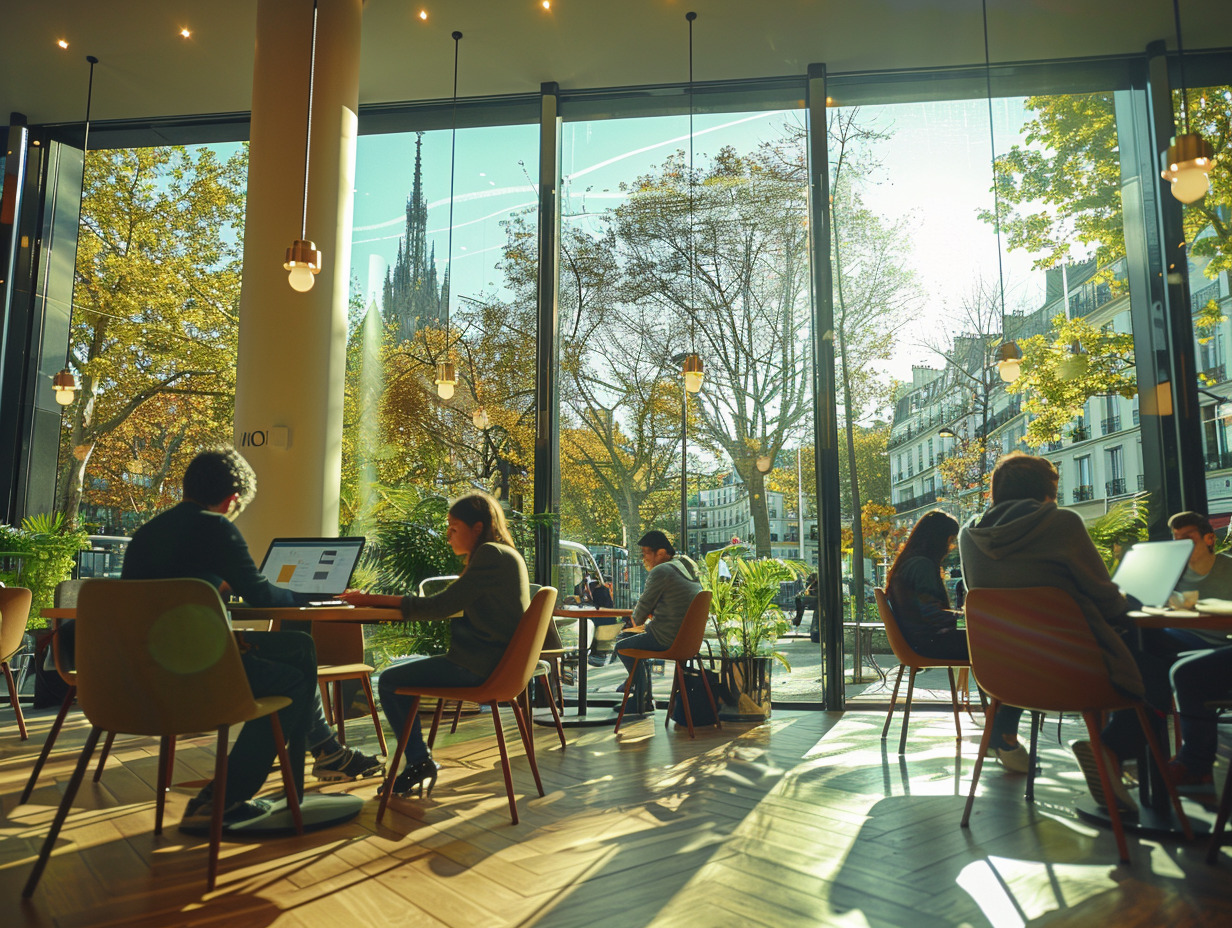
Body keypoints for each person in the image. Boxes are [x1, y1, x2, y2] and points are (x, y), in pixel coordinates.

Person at [119, 447, 381, 826]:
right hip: (198, 673)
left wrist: (215, 591)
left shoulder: (146, 534)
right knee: (293, 680)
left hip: (144, 671)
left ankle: (326, 750)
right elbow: (263, 596)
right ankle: (223, 798)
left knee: (298, 645)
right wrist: (309, 597)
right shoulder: (216, 527)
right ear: (232, 499)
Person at [958, 452, 1144, 812]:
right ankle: (1117, 751)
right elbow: (1106, 600)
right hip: (1077, 670)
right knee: (1159, 658)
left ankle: (1121, 759)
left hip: (1006, 676)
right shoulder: (1062, 524)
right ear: (1048, 490)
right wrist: (1130, 603)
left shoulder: (970, 536)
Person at [341, 492, 530, 799]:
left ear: (477, 527)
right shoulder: (505, 554)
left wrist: (370, 599)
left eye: (454, 527)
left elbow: (439, 606)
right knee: (399, 676)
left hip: (481, 667)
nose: (448, 535)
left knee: (389, 680)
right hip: (499, 665)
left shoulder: (490, 556)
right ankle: (418, 759)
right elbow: (451, 604)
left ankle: (419, 761)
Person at [887, 510, 1027, 773]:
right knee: (1011, 649)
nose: (951, 546)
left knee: (1001, 646)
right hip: (930, 642)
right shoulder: (922, 565)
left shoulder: (910, 562)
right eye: (950, 539)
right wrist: (965, 614)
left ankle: (997, 727)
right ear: (938, 538)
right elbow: (932, 616)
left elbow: (925, 611)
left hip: (919, 640)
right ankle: (1001, 731)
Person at [616, 530, 703, 715]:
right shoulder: (686, 565)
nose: (643, 558)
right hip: (687, 640)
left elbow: (640, 612)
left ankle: (641, 697)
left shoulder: (662, 570)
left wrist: (638, 618)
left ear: (661, 553)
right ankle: (640, 692)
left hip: (665, 638)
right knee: (629, 639)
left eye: (646, 553)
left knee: (621, 646)